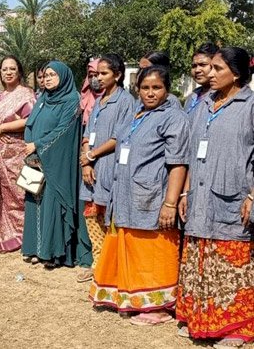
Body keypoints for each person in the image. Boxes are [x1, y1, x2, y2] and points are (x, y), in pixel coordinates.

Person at [89, 65, 189, 326]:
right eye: (145, 88)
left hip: (152, 196)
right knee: (131, 247)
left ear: (167, 89)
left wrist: (170, 203)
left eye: (157, 88)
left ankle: (159, 306)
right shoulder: (136, 114)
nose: (150, 93)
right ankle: (131, 296)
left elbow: (178, 163)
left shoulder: (173, 117)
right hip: (125, 194)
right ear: (137, 89)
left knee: (152, 250)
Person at [176, 47, 254, 346]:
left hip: (233, 197)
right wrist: (185, 191)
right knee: (200, 259)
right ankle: (198, 318)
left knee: (231, 263)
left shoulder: (249, 105)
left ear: (236, 73)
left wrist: (252, 197)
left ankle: (235, 328)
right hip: (200, 195)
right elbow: (195, 152)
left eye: (217, 68)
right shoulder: (204, 103)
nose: (209, 73)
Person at [77, 54, 134, 282]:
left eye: (104, 73)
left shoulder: (125, 102)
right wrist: (86, 160)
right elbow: (87, 133)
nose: (98, 78)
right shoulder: (98, 101)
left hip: (110, 165)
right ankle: (97, 262)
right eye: (96, 74)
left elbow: (119, 137)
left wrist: (92, 155)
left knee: (110, 215)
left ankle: (112, 266)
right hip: (90, 166)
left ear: (118, 75)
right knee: (92, 216)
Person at [21, 61, 82, 267]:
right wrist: (30, 146)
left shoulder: (72, 100)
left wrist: (38, 145)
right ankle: (35, 248)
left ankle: (53, 252)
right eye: (45, 75)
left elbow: (64, 130)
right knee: (35, 200)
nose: (47, 78)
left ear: (63, 76)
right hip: (35, 159)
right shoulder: (43, 98)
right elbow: (30, 122)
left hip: (56, 160)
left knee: (51, 202)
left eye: (52, 75)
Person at [0, 56, 36, 252]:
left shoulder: (26, 95)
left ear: (19, 71)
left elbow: (29, 120)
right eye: (5, 69)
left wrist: (1, 128)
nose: (8, 72)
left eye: (12, 68)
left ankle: (20, 233)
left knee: (17, 193)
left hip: (16, 152)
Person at [184, 42, 219, 114]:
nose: (197, 70)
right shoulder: (192, 97)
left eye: (202, 65)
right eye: (194, 66)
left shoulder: (221, 98)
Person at [79, 59, 102, 126]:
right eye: (90, 76)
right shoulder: (86, 98)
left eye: (96, 75)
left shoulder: (114, 98)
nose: (93, 79)